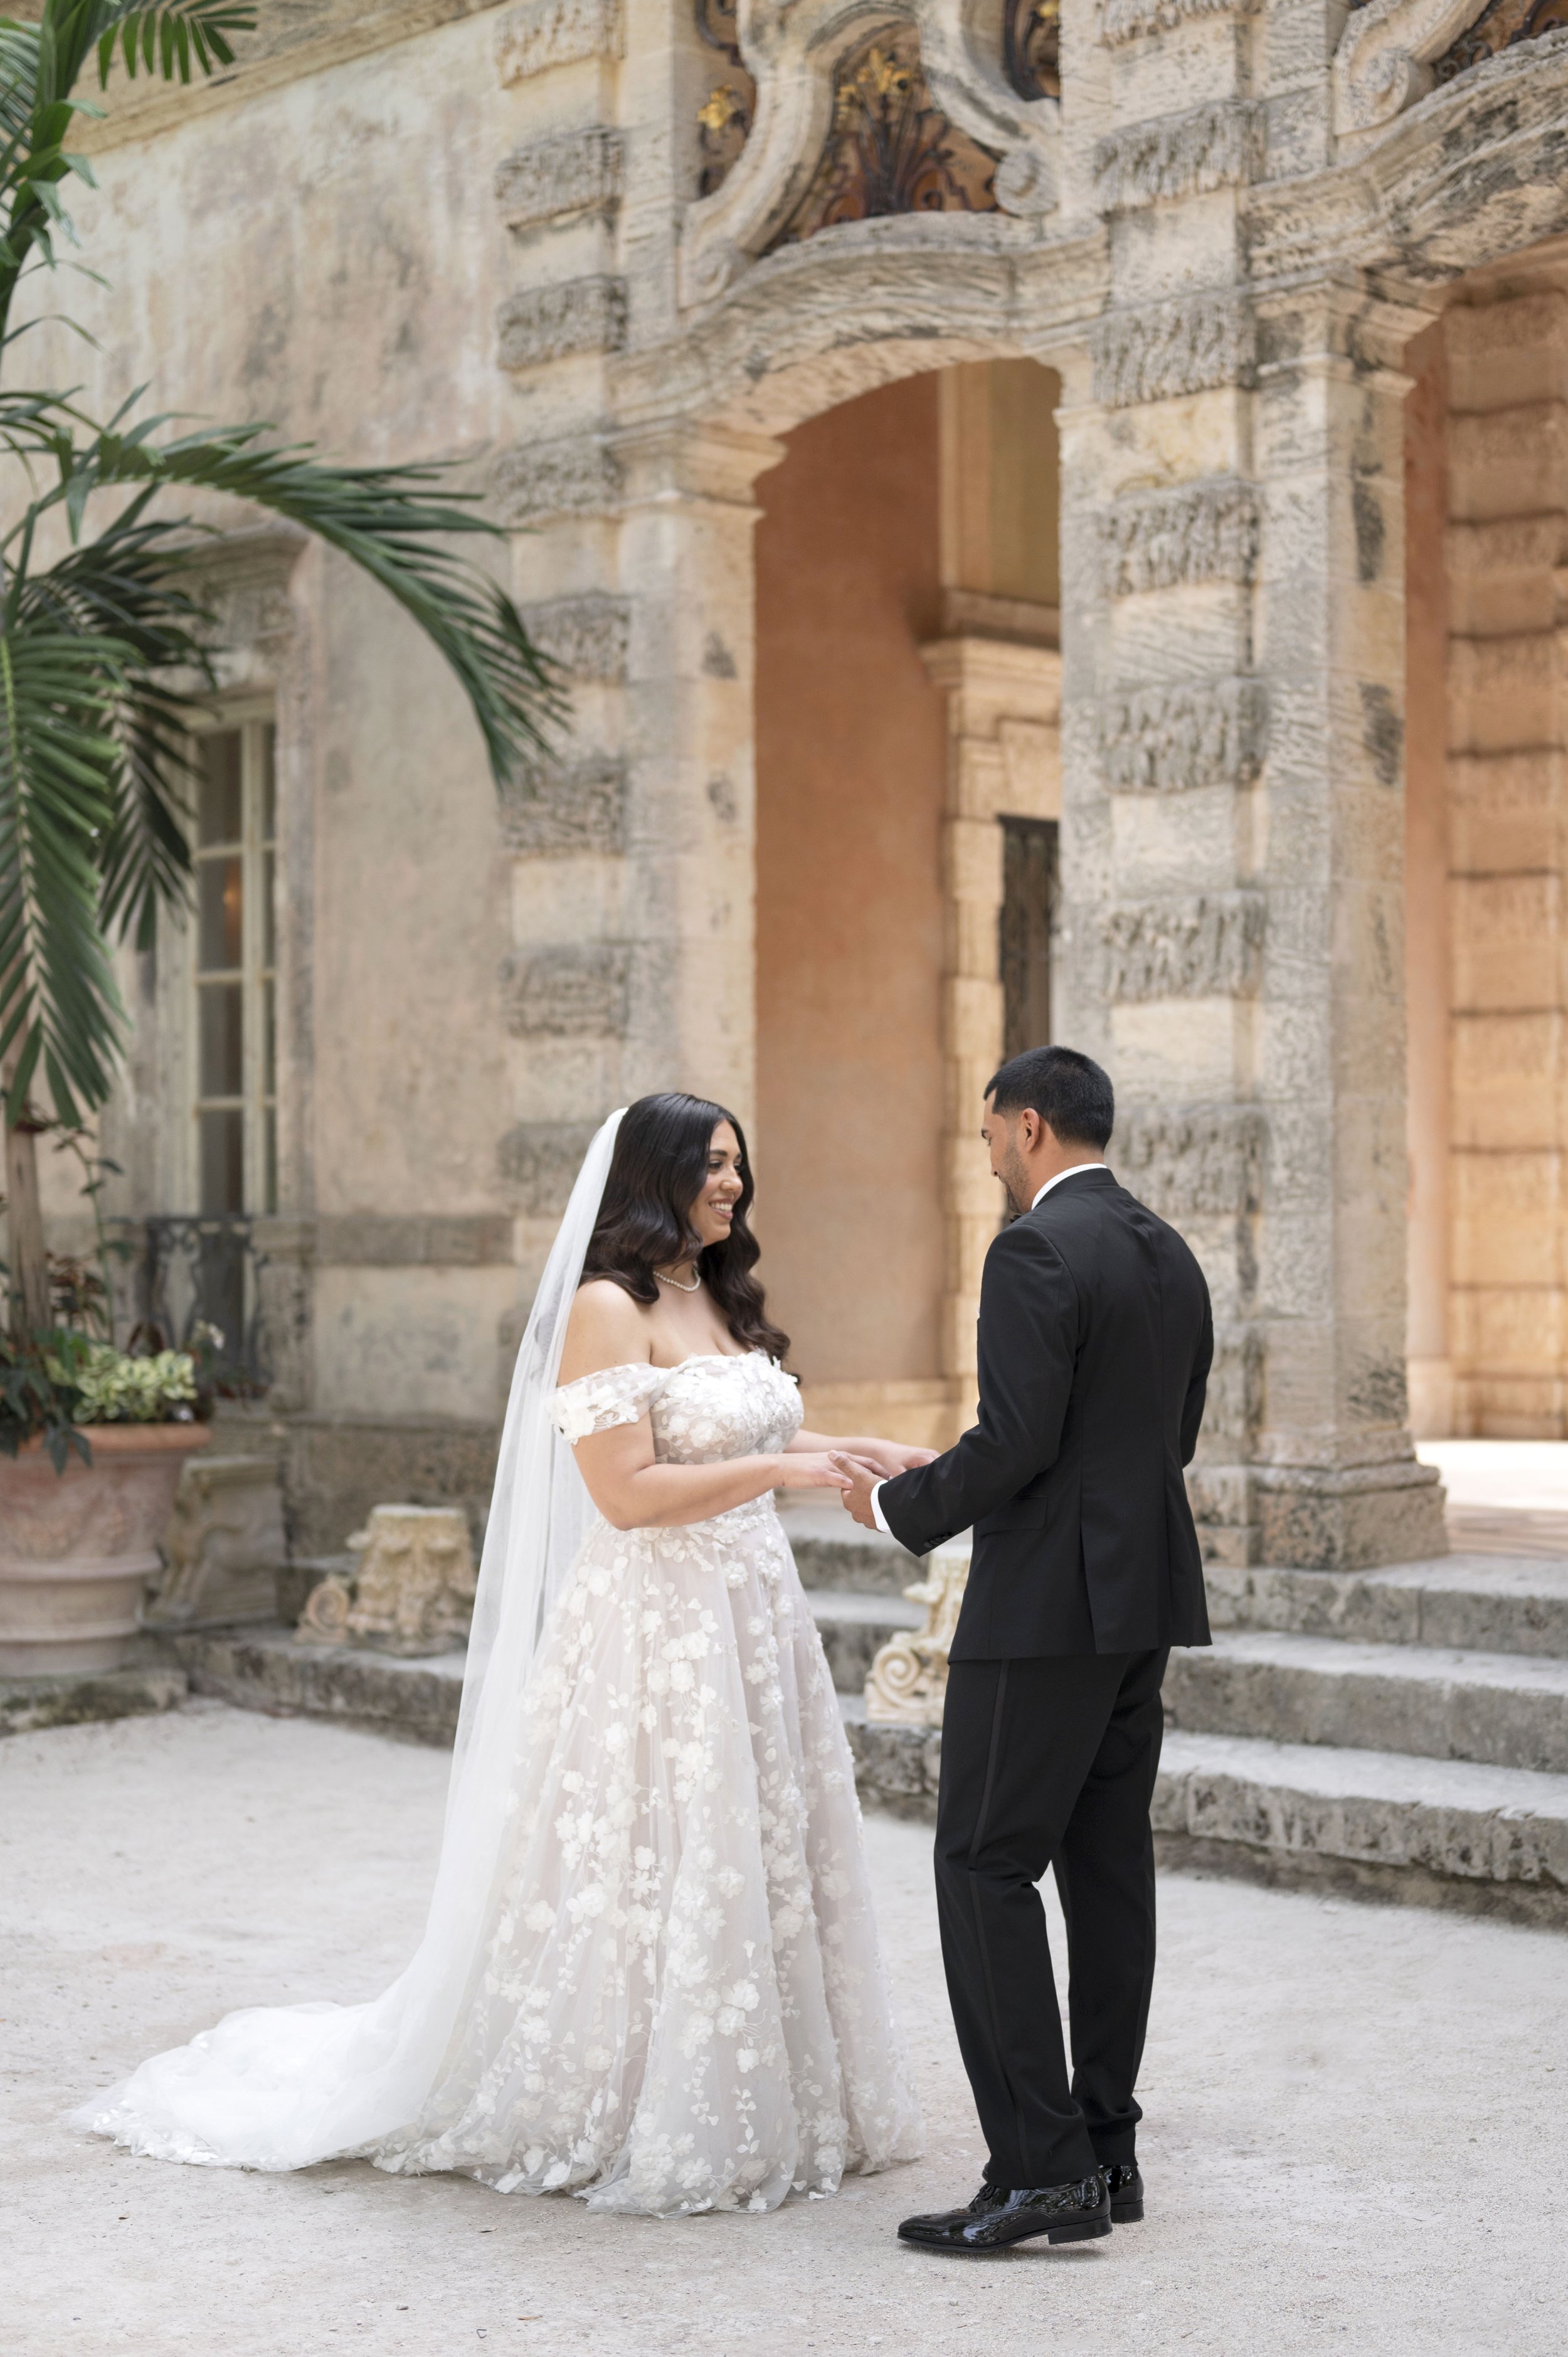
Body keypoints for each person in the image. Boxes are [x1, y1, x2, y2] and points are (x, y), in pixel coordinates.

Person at [76, 1094, 924, 2216]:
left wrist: (862, 1448)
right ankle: (633, 2095)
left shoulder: (710, 1292)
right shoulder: (604, 1309)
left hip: (752, 1621)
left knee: (757, 1839)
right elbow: (625, 1494)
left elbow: (751, 1425)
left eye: (738, 1166)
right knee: (660, 1851)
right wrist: (785, 1478)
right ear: (653, 1176)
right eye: (713, 1166)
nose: (734, 1184)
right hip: (658, 1628)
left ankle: (783, 2087)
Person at [834, 1044, 1212, 2256]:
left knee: (983, 1867)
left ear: (1033, 1124)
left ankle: (1041, 2175)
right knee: (1108, 1874)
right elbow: (1166, 1433)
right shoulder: (1167, 1248)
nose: (989, 1152)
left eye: (992, 1131)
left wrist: (899, 1505)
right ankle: (1106, 2150)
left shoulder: (1034, 1248)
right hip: (1139, 1603)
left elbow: (1018, 1440)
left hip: (1045, 1608)